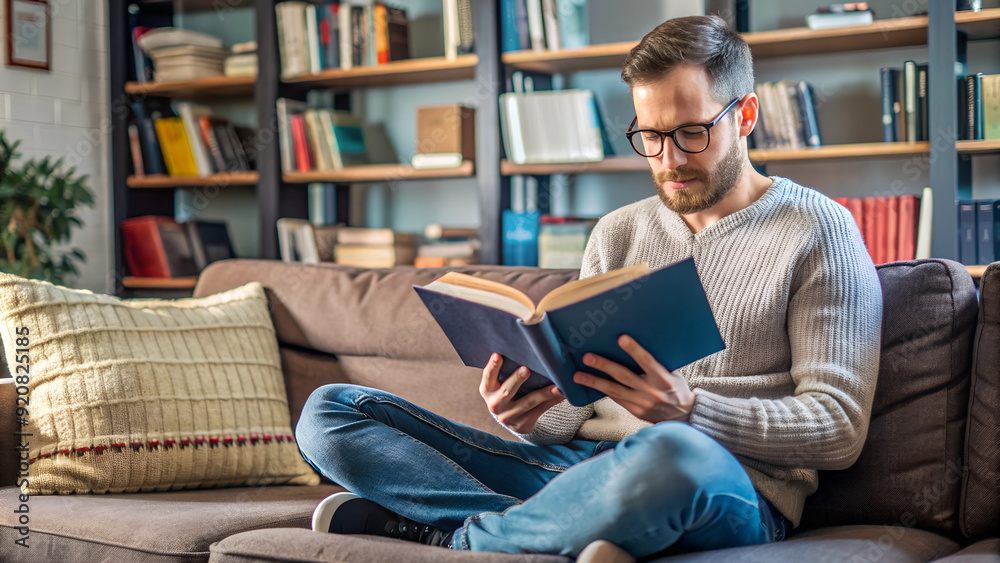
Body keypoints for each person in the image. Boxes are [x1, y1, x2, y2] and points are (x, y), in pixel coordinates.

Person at [294, 14, 883, 559]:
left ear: (746, 115)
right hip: (572, 469)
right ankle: (550, 529)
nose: (668, 159)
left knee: (669, 454)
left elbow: (839, 429)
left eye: (691, 133)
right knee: (330, 413)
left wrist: (690, 411)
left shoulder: (816, 228)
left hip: (717, 480)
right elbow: (577, 409)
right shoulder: (618, 232)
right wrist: (526, 414)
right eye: (649, 136)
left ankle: (459, 540)